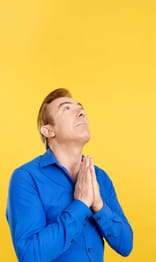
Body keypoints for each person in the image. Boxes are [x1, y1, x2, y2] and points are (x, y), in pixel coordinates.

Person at [6, 88, 133, 261]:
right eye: (66, 108)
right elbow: (30, 255)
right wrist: (80, 205)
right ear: (48, 131)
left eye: (80, 107)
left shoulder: (100, 177)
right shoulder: (26, 178)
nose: (81, 111)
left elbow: (126, 245)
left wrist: (99, 205)